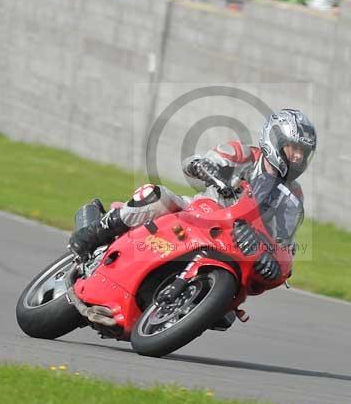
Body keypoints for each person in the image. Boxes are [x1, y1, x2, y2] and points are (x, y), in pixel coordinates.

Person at [69, 109, 318, 281]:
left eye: (303, 152)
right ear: (275, 140)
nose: (297, 156)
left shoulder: (293, 195)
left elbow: (284, 240)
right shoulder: (243, 155)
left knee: (230, 311)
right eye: (293, 148)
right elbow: (194, 163)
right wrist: (203, 166)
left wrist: (276, 262)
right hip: (200, 213)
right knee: (155, 196)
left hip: (238, 244)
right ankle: (95, 234)